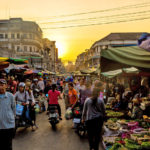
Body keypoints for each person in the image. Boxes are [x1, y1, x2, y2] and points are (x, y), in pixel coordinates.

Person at [0, 79, 16, 150]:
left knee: (8, 146)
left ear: (6, 86)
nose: (0, 87)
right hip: (0, 126)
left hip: (9, 126)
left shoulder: (10, 96)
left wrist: (11, 119)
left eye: (2, 85)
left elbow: (14, 109)